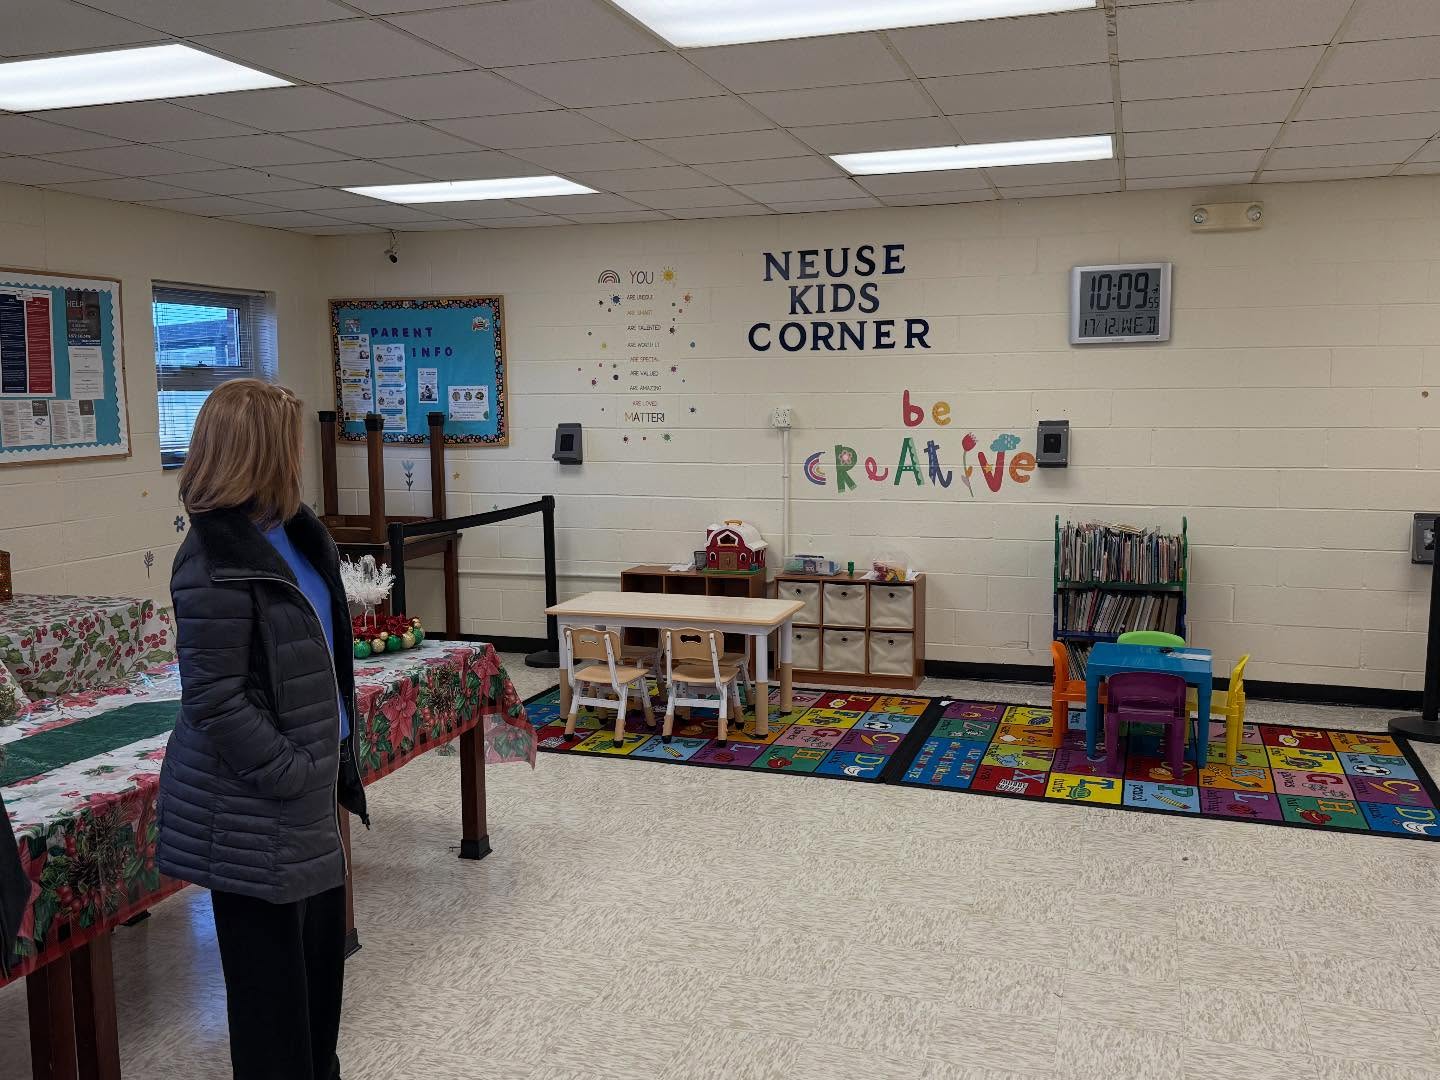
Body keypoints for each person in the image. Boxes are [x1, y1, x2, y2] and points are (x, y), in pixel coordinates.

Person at [157, 379, 367, 1080]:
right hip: (253, 807)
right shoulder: (211, 558)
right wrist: (291, 770)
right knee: (273, 1007)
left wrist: (327, 761)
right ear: (257, 449)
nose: (299, 453)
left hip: (306, 795)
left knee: (316, 987)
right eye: (289, 438)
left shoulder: (296, 531)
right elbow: (214, 699)